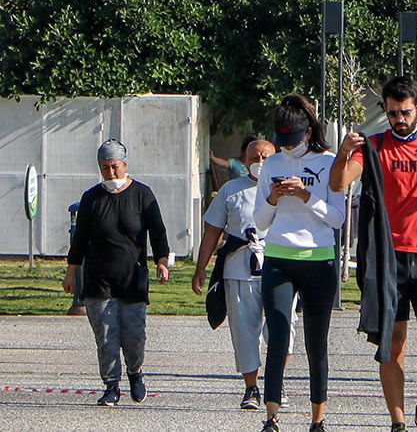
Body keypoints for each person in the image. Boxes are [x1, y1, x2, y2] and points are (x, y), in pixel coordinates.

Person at [330, 75, 417, 432]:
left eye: (405, 112)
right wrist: (344, 152)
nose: (399, 120)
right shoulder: (373, 146)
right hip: (388, 257)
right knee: (394, 342)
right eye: (392, 113)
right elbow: (339, 183)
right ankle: (398, 420)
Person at [254, 95, 345, 432]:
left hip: (318, 258)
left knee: (315, 340)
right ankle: (271, 415)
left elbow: (337, 218)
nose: (287, 148)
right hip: (278, 256)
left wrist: (307, 197)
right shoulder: (272, 164)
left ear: (308, 132)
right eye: (283, 142)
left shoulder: (328, 161)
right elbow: (260, 221)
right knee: (277, 332)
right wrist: (274, 197)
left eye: (293, 141)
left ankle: (317, 417)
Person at [192, 138, 297, 411]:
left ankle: (277, 382)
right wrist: (200, 268)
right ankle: (251, 387)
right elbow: (212, 231)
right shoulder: (231, 190)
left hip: (281, 266)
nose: (259, 162)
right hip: (239, 268)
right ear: (245, 160)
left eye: (265, 157)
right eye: (254, 157)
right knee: (244, 332)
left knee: (283, 328)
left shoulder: (290, 188)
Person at [63, 139, 170, 407]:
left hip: (132, 277)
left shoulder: (142, 194)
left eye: (115, 167)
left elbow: (157, 230)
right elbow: (80, 238)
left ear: (125, 165)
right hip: (99, 278)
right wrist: (71, 271)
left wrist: (161, 260)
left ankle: (135, 373)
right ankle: (111, 385)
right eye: (104, 168)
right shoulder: (92, 198)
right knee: (106, 334)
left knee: (133, 334)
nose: (111, 173)